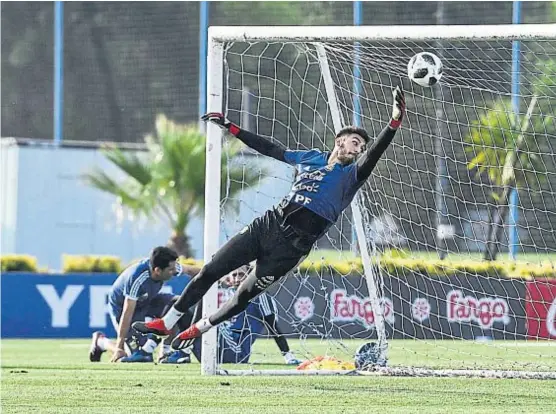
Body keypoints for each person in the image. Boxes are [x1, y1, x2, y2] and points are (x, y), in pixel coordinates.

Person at [134, 86, 406, 351]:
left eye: (361, 148)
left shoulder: (352, 176)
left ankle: (198, 329)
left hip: (291, 249)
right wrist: (231, 127)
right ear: (339, 141)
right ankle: (165, 324)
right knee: (210, 270)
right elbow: (270, 148)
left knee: (244, 294)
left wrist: (393, 122)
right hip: (267, 226)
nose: (359, 149)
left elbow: (375, 153)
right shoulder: (310, 158)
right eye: (355, 143)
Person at [88, 246, 201, 363]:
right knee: (136, 357)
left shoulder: (166, 266)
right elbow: (127, 312)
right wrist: (119, 347)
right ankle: (101, 342)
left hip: (147, 300)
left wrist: (217, 276)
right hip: (123, 307)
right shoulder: (137, 278)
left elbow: (190, 270)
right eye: (171, 270)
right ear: (157, 270)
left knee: (178, 304)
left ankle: (165, 352)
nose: (174, 272)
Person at [193, 265, 301, 365]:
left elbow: (273, 327)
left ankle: (185, 348)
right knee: (184, 311)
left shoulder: (259, 296)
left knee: (208, 323)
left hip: (237, 352)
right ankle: (183, 354)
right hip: (216, 349)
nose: (237, 279)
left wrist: (288, 356)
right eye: (234, 275)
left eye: (241, 274)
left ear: (249, 275)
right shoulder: (228, 295)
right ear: (229, 278)